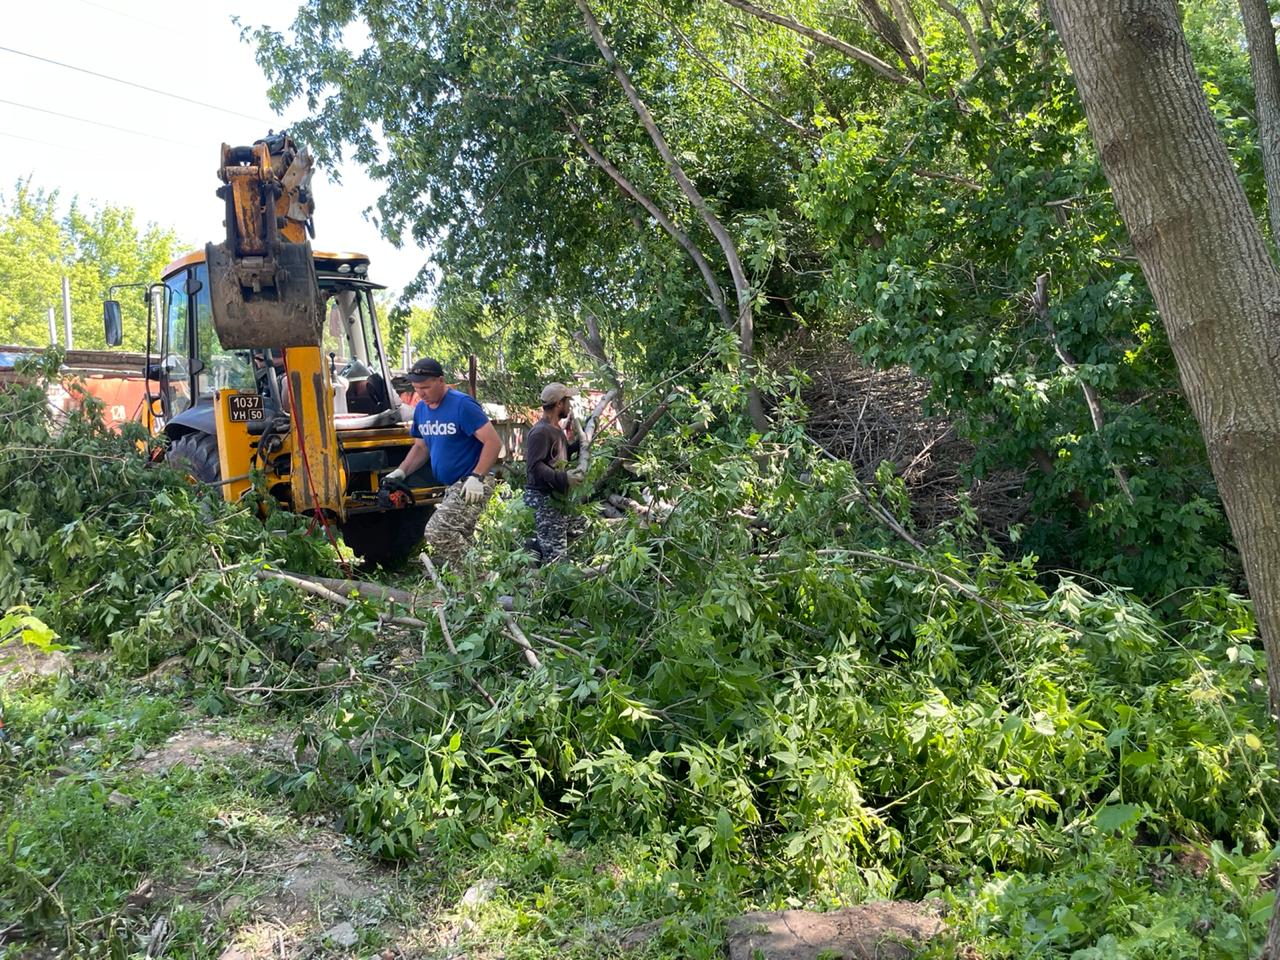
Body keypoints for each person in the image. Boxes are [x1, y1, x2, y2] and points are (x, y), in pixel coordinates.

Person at [382, 357, 502, 565]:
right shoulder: (421, 410)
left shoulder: (462, 405)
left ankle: (483, 578)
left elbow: (493, 442)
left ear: (441, 381)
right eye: (417, 388)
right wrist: (400, 472)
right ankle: (471, 590)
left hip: (471, 483)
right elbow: (421, 447)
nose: (421, 393)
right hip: (451, 486)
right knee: (458, 539)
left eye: (426, 387)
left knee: (438, 532)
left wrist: (477, 476)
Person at [523, 382, 585, 564]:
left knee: (579, 526)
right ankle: (543, 573)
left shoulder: (556, 429)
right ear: (559, 403)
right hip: (543, 499)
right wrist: (563, 478)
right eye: (568, 401)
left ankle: (537, 550)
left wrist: (581, 443)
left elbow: (559, 455)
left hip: (556, 498)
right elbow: (535, 466)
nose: (570, 405)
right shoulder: (540, 432)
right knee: (555, 557)